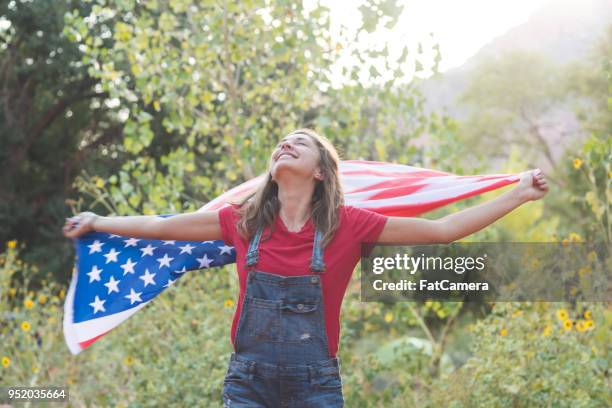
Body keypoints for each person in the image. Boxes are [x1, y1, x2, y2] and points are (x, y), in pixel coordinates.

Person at [63, 128, 548, 407]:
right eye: (280, 144)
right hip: (246, 381)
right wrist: (99, 220)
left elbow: (445, 230)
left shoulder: (350, 225)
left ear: (321, 170)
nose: (285, 145)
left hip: (315, 385)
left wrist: (519, 193)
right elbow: (162, 226)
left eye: (300, 143)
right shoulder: (243, 221)